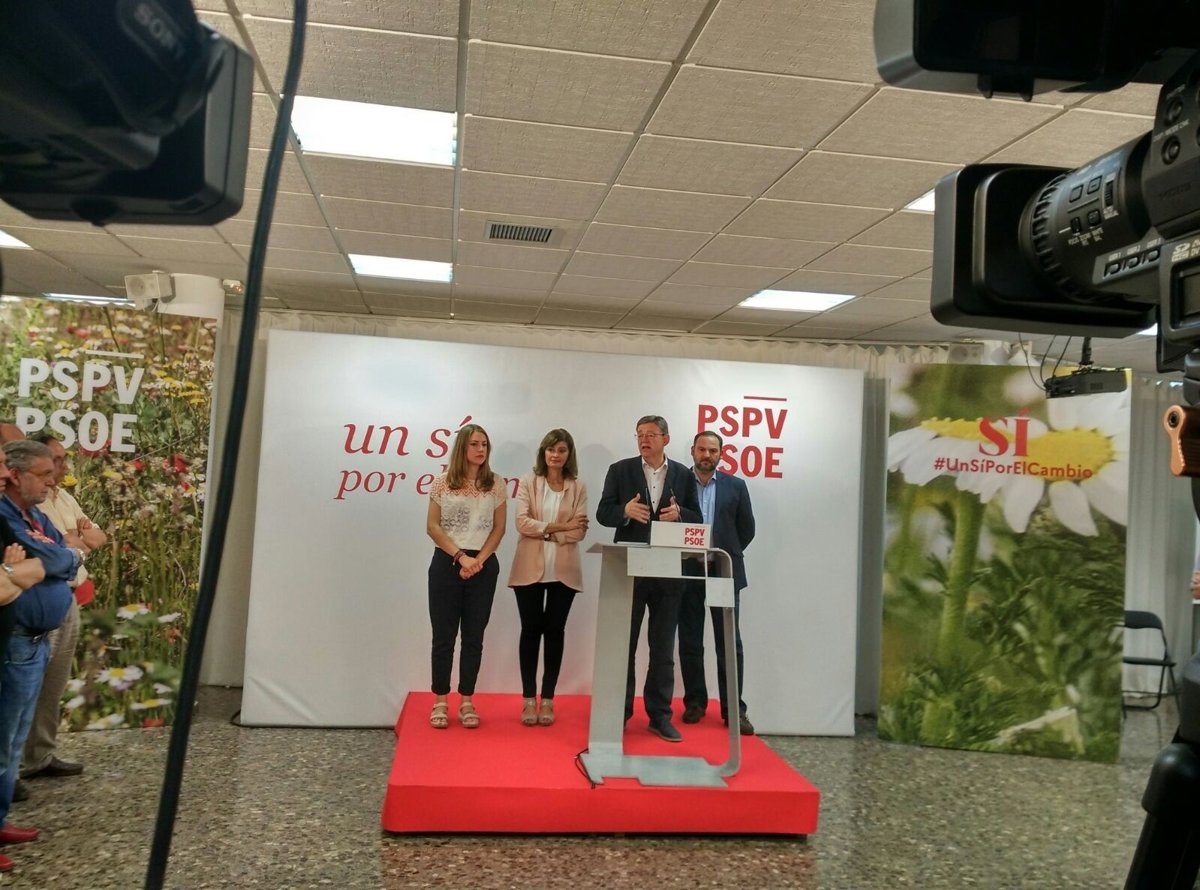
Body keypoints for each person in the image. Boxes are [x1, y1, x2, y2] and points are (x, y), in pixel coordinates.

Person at [0, 441, 82, 866]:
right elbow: (54, 556)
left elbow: (63, 556)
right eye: (44, 474)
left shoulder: (36, 515)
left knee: (15, 739)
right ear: (17, 475)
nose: (52, 482)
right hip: (14, 639)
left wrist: (60, 557)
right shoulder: (5, 515)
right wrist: (59, 556)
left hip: (36, 641)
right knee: (2, 739)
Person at [596, 415, 701, 742]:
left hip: (668, 572)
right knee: (623, 647)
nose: (644, 439)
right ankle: (619, 714)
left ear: (665, 439)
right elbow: (603, 512)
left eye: (651, 434)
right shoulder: (620, 470)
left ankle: (659, 715)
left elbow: (697, 518)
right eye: (640, 434)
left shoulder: (683, 474)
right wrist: (624, 512)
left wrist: (680, 514)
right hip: (629, 569)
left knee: (662, 649)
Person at [22, 434, 106, 787]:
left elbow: (97, 538)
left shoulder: (65, 497)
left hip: (68, 597)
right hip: (39, 596)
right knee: (27, 683)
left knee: (54, 682)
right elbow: (55, 551)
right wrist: (74, 540)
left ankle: (40, 756)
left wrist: (75, 540)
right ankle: (13, 766)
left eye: (62, 459)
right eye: (56, 460)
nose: (63, 466)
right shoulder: (28, 502)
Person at [425, 423, 506, 730]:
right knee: (443, 636)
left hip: (483, 566)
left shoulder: (496, 483)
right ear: (462, 447)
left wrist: (478, 561)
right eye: (475, 444)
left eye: (484, 444)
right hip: (447, 563)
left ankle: (467, 699)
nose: (481, 449)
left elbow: (499, 528)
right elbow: (432, 526)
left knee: (474, 637)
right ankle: (440, 699)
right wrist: (461, 557)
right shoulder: (443, 482)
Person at [678, 431, 757, 735]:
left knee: (729, 642)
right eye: (702, 449)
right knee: (690, 640)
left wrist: (723, 553)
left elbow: (746, 529)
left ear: (721, 454)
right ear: (693, 451)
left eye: (713, 450)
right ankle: (695, 703)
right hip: (687, 571)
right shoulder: (678, 483)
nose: (706, 455)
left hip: (723, 571)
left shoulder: (736, 486)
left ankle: (734, 709)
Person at [508, 429, 589, 727]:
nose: (555, 455)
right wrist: (562, 526)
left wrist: (547, 532)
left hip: (564, 572)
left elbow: (580, 531)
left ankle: (548, 700)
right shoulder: (529, 482)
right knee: (530, 631)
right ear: (543, 453)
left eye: (561, 450)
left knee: (555, 632)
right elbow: (522, 523)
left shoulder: (577, 486)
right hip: (528, 568)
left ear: (569, 454)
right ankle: (529, 699)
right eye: (551, 450)